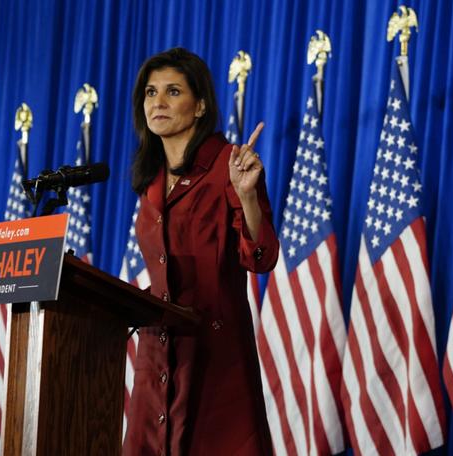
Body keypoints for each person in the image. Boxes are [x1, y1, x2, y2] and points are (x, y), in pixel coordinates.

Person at [123, 47, 278, 455]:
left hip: (214, 359)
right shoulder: (150, 181)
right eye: (151, 92)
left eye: (173, 91)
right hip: (156, 356)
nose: (158, 101)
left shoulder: (232, 164)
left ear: (200, 106)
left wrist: (246, 198)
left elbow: (261, 258)